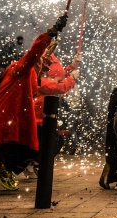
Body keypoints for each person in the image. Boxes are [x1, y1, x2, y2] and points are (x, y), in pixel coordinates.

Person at [0, 14, 68, 191]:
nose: (45, 69)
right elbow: (34, 53)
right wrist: (52, 32)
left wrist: (70, 71)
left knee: (51, 140)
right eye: (43, 63)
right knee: (46, 141)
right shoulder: (20, 69)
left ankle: (9, 168)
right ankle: (5, 168)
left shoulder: (31, 77)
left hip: (10, 125)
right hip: (3, 125)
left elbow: (53, 85)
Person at [25, 46, 80, 178]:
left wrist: (72, 66)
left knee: (55, 140)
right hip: (37, 117)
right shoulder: (37, 78)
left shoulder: (41, 74)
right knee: (48, 142)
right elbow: (58, 86)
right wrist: (72, 78)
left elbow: (58, 78)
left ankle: (34, 163)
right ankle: (31, 163)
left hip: (43, 116)